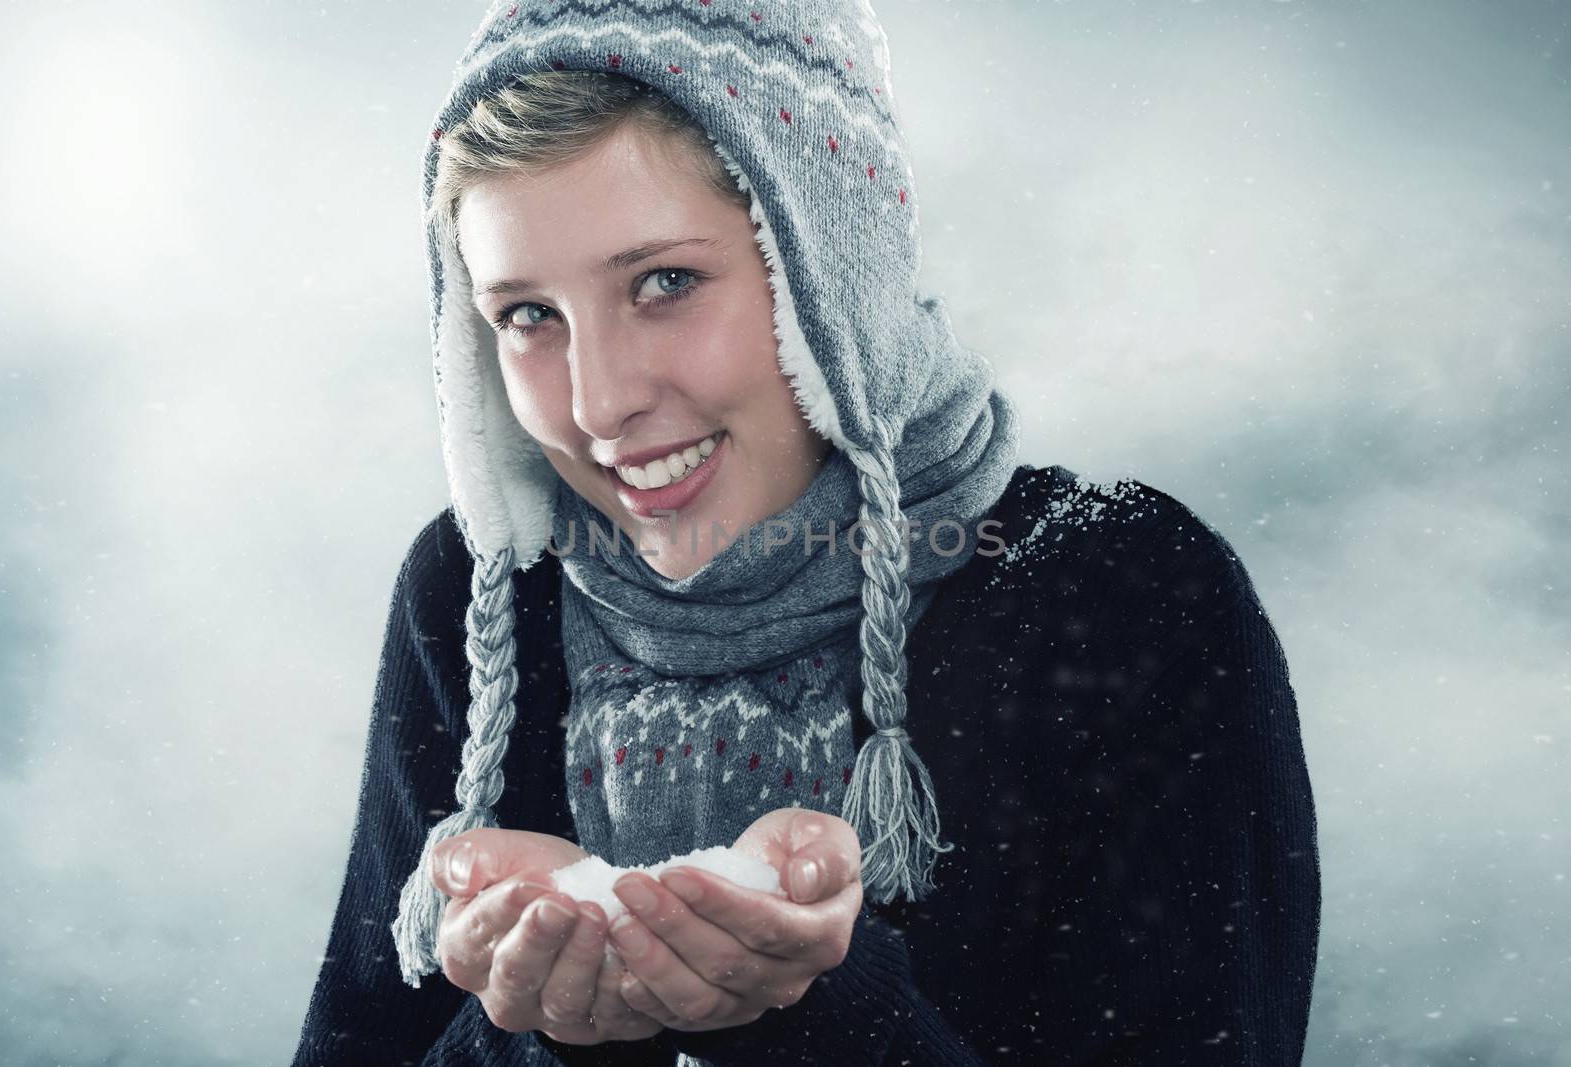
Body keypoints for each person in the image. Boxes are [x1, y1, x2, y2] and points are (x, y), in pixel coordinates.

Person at [290, 2, 1322, 1065]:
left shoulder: (1118, 587)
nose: (598, 403)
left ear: (834, 269)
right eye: (527, 315)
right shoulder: (481, 588)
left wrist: (813, 1011)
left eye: (665, 282)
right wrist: (551, 1026)